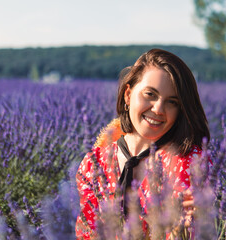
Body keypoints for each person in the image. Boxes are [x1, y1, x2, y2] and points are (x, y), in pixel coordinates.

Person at [76, 48, 211, 239]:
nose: (158, 109)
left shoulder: (188, 162)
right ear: (128, 95)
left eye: (172, 102)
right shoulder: (93, 163)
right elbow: (85, 233)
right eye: (150, 94)